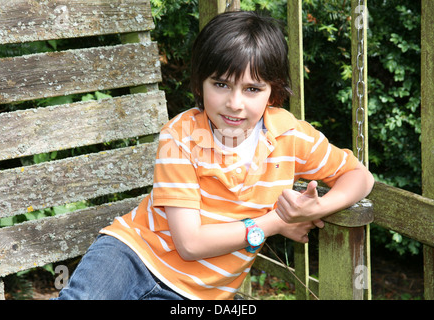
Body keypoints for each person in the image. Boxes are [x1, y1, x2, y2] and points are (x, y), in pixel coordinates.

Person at [55, 11, 375, 300]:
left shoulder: (290, 136)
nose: (235, 103)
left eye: (252, 89)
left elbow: (359, 176)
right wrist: (276, 222)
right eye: (221, 84)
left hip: (200, 295)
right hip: (132, 255)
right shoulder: (181, 135)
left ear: (273, 92)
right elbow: (190, 244)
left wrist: (316, 208)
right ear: (200, 83)